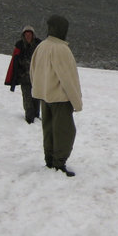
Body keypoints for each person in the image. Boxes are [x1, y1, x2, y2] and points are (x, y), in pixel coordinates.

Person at [29, 15, 83, 177]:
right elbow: (68, 79)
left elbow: (33, 70)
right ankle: (59, 163)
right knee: (64, 132)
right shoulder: (61, 49)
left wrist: (38, 89)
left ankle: (49, 160)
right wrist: (77, 102)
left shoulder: (42, 46)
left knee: (49, 130)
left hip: (45, 96)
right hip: (60, 98)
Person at [4, 25, 41, 124]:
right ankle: (30, 119)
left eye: (30, 34)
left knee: (36, 100)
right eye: (26, 34)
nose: (28, 36)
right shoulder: (20, 45)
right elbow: (15, 62)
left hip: (36, 79)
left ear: (33, 35)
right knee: (27, 99)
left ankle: (36, 118)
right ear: (23, 35)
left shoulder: (39, 45)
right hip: (24, 78)